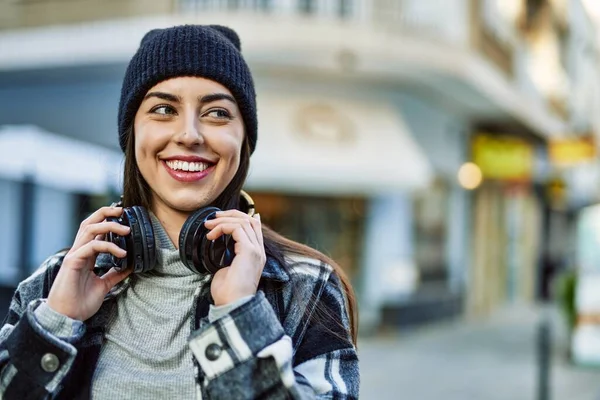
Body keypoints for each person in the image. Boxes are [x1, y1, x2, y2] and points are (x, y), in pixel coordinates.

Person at [0, 25, 359, 399]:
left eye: (217, 113)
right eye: (163, 109)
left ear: (243, 140)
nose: (189, 134)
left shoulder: (306, 286)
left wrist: (241, 313)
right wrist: (58, 322)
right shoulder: (57, 281)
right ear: (133, 132)